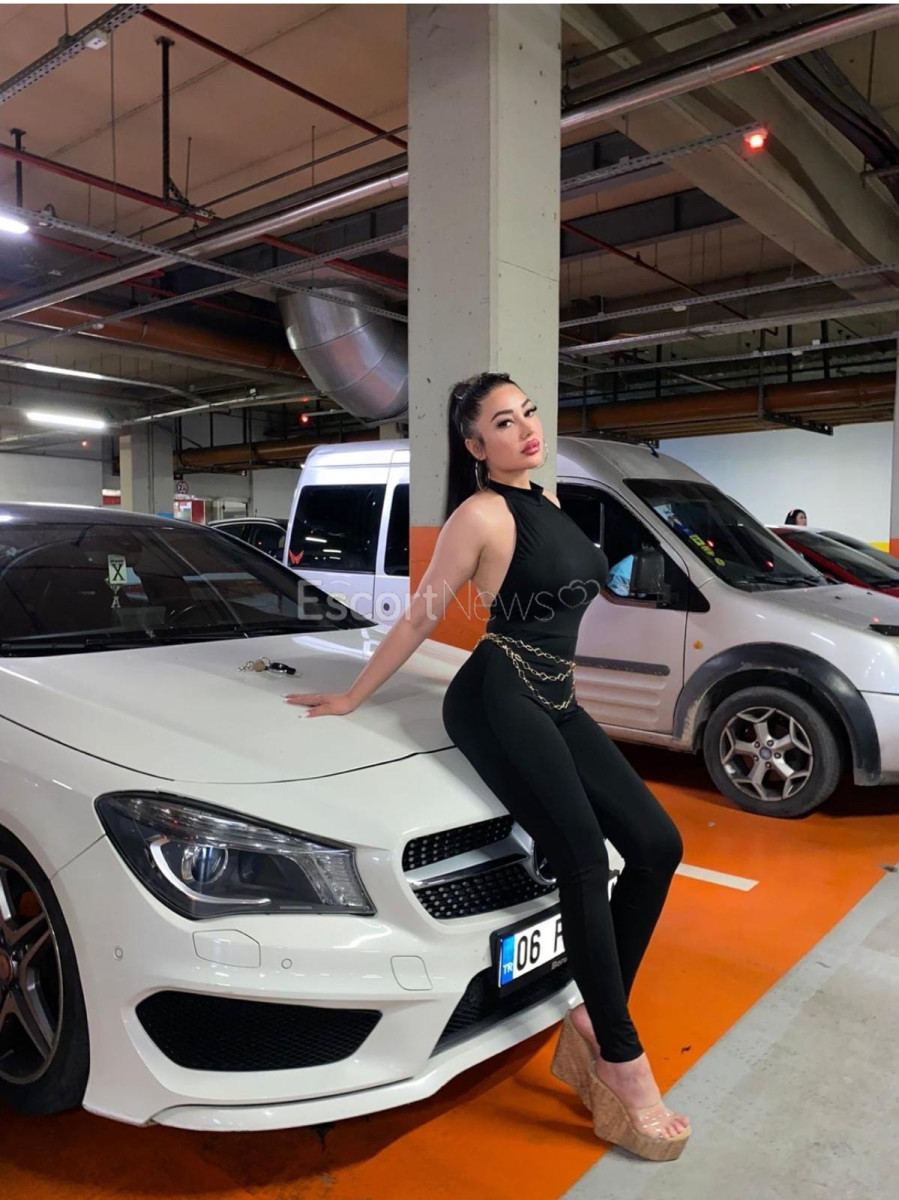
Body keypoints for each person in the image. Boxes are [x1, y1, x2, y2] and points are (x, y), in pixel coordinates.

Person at [284, 372, 690, 1161]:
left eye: (527, 412)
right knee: (580, 856)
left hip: (556, 695)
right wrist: (354, 695)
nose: (526, 428)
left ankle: (592, 1016)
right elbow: (421, 615)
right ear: (475, 445)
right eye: (503, 422)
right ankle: (620, 1057)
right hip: (497, 695)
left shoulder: (551, 501)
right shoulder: (479, 515)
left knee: (656, 845)